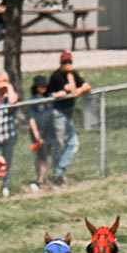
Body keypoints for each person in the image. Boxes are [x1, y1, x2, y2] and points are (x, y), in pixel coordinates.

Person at [46, 51, 91, 185]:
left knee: (73, 143)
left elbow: (87, 86)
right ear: (60, 64)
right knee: (58, 144)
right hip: (57, 112)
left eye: (69, 62)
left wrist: (80, 89)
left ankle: (60, 170)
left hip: (68, 113)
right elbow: (70, 89)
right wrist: (76, 87)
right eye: (65, 62)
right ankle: (57, 173)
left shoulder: (73, 73)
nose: (67, 65)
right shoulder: (57, 76)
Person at [27, 75, 55, 192]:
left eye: (44, 86)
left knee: (46, 155)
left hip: (49, 131)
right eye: (40, 86)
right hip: (38, 131)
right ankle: (39, 179)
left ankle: (42, 178)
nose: (43, 88)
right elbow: (31, 118)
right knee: (40, 155)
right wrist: (36, 134)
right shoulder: (33, 100)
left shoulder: (48, 98)